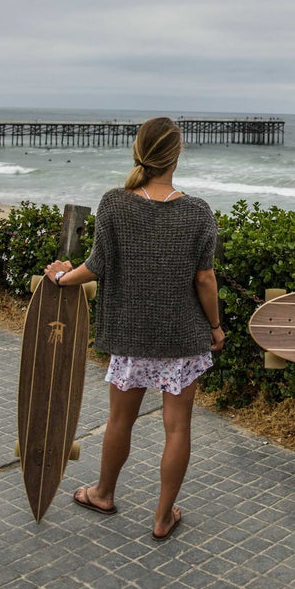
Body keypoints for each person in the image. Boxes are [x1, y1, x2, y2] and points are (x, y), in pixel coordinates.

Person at [44, 117, 224, 541]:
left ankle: (103, 494)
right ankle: (162, 518)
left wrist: (61, 278)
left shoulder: (114, 204)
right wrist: (215, 327)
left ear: (138, 152)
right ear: (176, 155)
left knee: (119, 420)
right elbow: (205, 280)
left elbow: (96, 267)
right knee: (177, 428)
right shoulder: (198, 211)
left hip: (130, 336)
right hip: (182, 339)